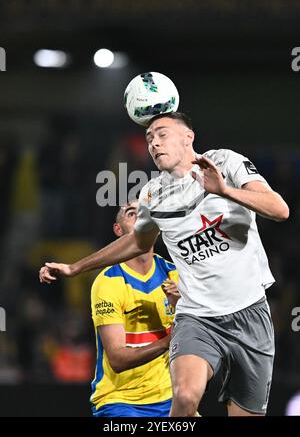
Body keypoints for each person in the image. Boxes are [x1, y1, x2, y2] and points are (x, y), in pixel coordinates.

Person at [40, 111, 289, 417]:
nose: (154, 144)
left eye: (162, 134)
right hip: (198, 317)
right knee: (185, 397)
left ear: (188, 137)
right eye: (149, 139)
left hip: (250, 313)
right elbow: (137, 241)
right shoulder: (153, 194)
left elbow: (279, 209)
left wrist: (224, 191)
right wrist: (75, 268)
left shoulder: (226, 162)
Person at [90, 201, 179, 417]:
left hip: (171, 399)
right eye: (132, 214)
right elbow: (118, 360)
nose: (142, 218)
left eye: (146, 213)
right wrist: (169, 341)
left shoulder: (176, 275)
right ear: (118, 230)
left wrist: (181, 306)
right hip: (120, 401)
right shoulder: (108, 282)